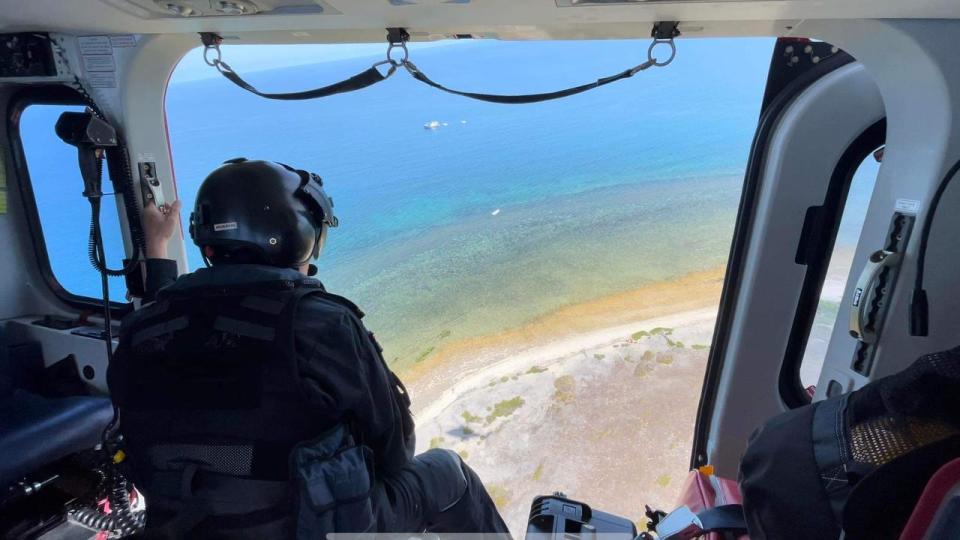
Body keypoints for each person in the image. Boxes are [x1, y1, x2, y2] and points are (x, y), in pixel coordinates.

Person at [107, 159, 509, 538]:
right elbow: (396, 452)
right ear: (293, 234)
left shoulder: (143, 330)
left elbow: (181, 338)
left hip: (190, 526)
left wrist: (157, 249)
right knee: (447, 471)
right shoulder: (319, 324)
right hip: (312, 527)